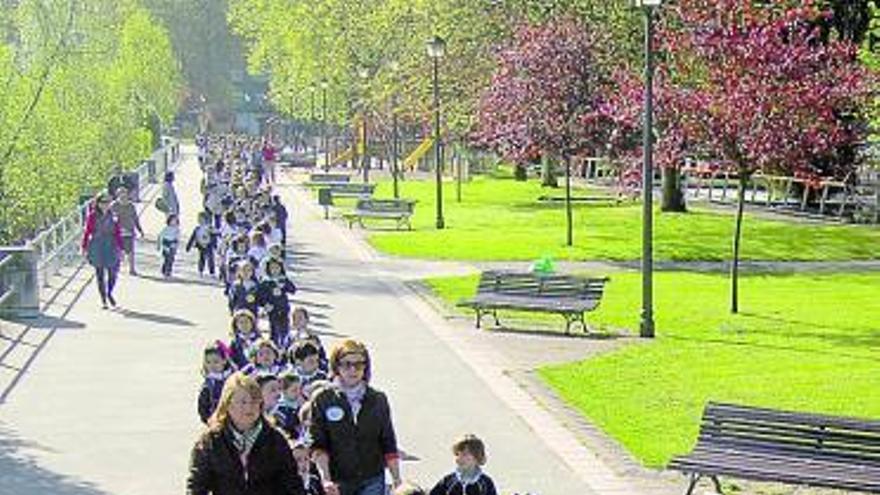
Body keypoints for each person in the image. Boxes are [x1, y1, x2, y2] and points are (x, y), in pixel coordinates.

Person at [187, 372, 305, 495]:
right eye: (243, 402)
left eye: (254, 401)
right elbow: (197, 486)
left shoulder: (275, 439)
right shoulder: (210, 441)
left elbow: (292, 484)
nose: (249, 407)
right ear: (227, 404)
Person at [309, 339, 402, 495]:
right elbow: (318, 444)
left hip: (372, 478)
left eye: (359, 364)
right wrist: (326, 478)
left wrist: (397, 479)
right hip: (338, 480)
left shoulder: (378, 399)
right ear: (336, 366)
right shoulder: (323, 399)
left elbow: (388, 441)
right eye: (347, 364)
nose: (353, 370)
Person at [81, 192, 123, 309]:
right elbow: (87, 232)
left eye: (108, 202)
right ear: (98, 203)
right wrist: (84, 247)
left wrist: (121, 248)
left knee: (113, 273)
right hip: (97, 245)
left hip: (111, 244)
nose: (105, 205)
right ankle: (103, 299)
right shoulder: (92, 216)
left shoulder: (114, 215)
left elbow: (118, 232)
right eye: (103, 202)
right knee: (100, 274)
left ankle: (110, 292)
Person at [428, 435, 497, 495]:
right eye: (457, 454)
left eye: (464, 454)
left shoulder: (486, 483)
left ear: (477, 457)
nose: (459, 459)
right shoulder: (448, 481)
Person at [197, 341, 235, 424]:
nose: (212, 365)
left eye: (216, 361)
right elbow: (203, 408)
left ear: (224, 361)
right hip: (217, 422)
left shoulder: (233, 378)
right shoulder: (208, 385)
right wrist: (208, 420)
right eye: (208, 362)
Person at [111, 187, 144, 275]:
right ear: (117, 195)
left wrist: (140, 230)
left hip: (129, 230)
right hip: (117, 232)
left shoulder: (131, 206)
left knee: (131, 251)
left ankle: (132, 269)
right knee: (118, 250)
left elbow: (135, 218)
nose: (123, 195)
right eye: (121, 193)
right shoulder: (114, 205)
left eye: (124, 193)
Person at [158, 214, 180, 278]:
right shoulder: (166, 229)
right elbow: (161, 236)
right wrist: (159, 245)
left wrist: (176, 245)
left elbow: (177, 238)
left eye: (175, 221)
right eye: (172, 220)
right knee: (166, 258)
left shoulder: (177, 230)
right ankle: (164, 270)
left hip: (173, 244)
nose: (173, 222)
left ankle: (169, 271)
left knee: (171, 259)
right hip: (166, 244)